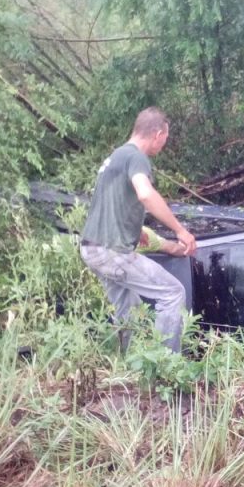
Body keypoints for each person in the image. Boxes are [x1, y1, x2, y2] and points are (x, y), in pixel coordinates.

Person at [79, 107, 197, 353]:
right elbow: (144, 193)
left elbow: (114, 201)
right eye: (165, 139)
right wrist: (180, 230)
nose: (163, 145)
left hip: (92, 247)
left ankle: (126, 366)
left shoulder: (117, 156)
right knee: (173, 294)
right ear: (157, 134)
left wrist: (135, 230)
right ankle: (166, 366)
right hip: (111, 251)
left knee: (128, 308)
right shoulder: (136, 157)